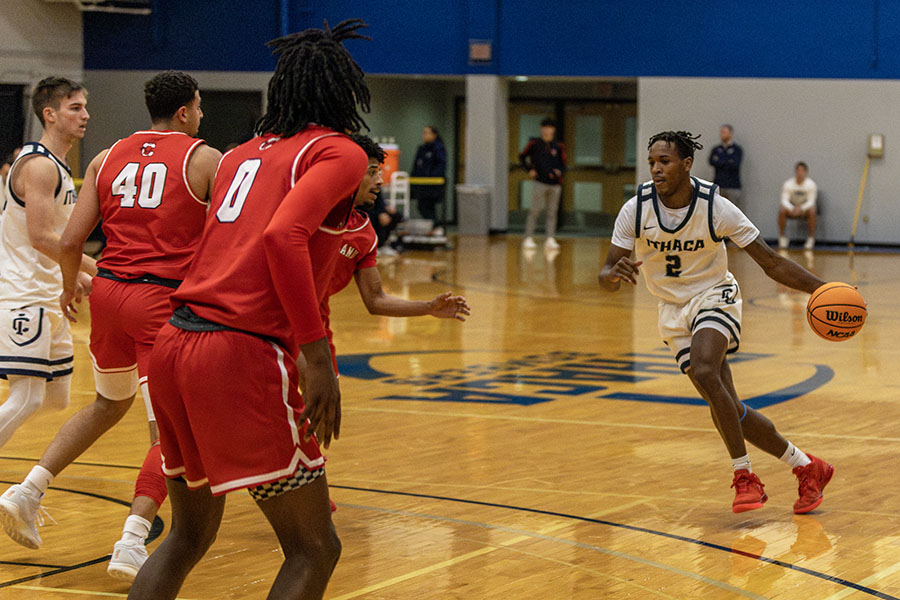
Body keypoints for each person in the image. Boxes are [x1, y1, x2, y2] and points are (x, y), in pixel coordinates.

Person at [126, 20, 371, 600]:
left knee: (187, 536)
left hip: (175, 343)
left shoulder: (238, 154)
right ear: (343, 91)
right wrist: (316, 356)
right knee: (316, 547)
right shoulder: (339, 152)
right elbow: (283, 236)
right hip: (239, 353)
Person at [0, 71, 221, 577]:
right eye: (200, 107)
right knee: (170, 431)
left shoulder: (106, 157)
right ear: (185, 111)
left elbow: (72, 240)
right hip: (159, 301)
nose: (201, 115)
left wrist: (65, 284)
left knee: (107, 403)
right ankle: (131, 541)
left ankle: (28, 489)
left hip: (110, 296)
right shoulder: (204, 157)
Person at [599, 130, 833, 515]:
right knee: (728, 406)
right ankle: (807, 467)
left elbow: (771, 263)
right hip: (672, 311)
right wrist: (610, 275)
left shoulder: (715, 206)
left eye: (666, 162)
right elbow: (606, 272)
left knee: (707, 370)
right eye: (652, 162)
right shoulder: (636, 209)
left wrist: (825, 288)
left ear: (687, 164)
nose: (656, 169)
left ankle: (745, 477)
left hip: (715, 296)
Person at [0, 78, 95, 455]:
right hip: (23, 295)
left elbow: (53, 237)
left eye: (85, 107)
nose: (85, 115)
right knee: (27, 399)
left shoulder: (58, 164)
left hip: (47, 293)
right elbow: (41, 236)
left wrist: (75, 276)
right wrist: (99, 268)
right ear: (49, 114)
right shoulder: (39, 166)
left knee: (57, 397)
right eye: (75, 108)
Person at [323, 134, 469, 361]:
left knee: (327, 393)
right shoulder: (312, 214)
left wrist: (429, 307)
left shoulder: (364, 233)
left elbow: (376, 299)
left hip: (316, 321)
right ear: (348, 171)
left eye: (379, 173)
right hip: (274, 319)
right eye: (372, 172)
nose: (380, 181)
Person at [519, 117, 566, 250]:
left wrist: (558, 171)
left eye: (550, 127)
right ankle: (528, 237)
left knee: (552, 211)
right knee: (535, 210)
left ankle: (550, 238)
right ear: (541, 129)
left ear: (553, 130)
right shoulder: (534, 144)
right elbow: (522, 156)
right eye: (545, 127)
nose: (547, 130)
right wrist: (530, 169)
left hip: (555, 184)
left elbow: (564, 164)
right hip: (539, 182)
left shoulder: (559, 146)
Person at [410, 125, 447, 236]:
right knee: (422, 205)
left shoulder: (439, 148)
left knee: (427, 205)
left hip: (433, 185)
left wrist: (431, 178)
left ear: (434, 134)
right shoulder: (422, 149)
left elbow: (441, 166)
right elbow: (416, 166)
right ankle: (434, 227)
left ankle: (436, 227)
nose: (424, 135)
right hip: (421, 184)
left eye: (427, 133)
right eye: (423, 133)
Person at [778, 161, 817, 250]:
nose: (800, 173)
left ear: (806, 172)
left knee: (812, 211)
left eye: (802, 171)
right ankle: (782, 237)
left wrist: (801, 208)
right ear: (795, 172)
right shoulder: (788, 184)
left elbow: (811, 201)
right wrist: (792, 208)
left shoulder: (811, 184)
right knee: (782, 210)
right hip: (792, 208)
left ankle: (811, 239)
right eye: (798, 170)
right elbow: (784, 200)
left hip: (804, 209)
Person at [708, 124, 743, 206]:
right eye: (721, 132)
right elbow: (711, 161)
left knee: (732, 211)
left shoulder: (737, 149)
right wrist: (727, 161)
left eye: (724, 132)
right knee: (717, 209)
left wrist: (720, 161)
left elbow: (735, 164)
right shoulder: (716, 149)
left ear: (730, 134)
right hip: (719, 184)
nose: (722, 134)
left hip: (732, 186)